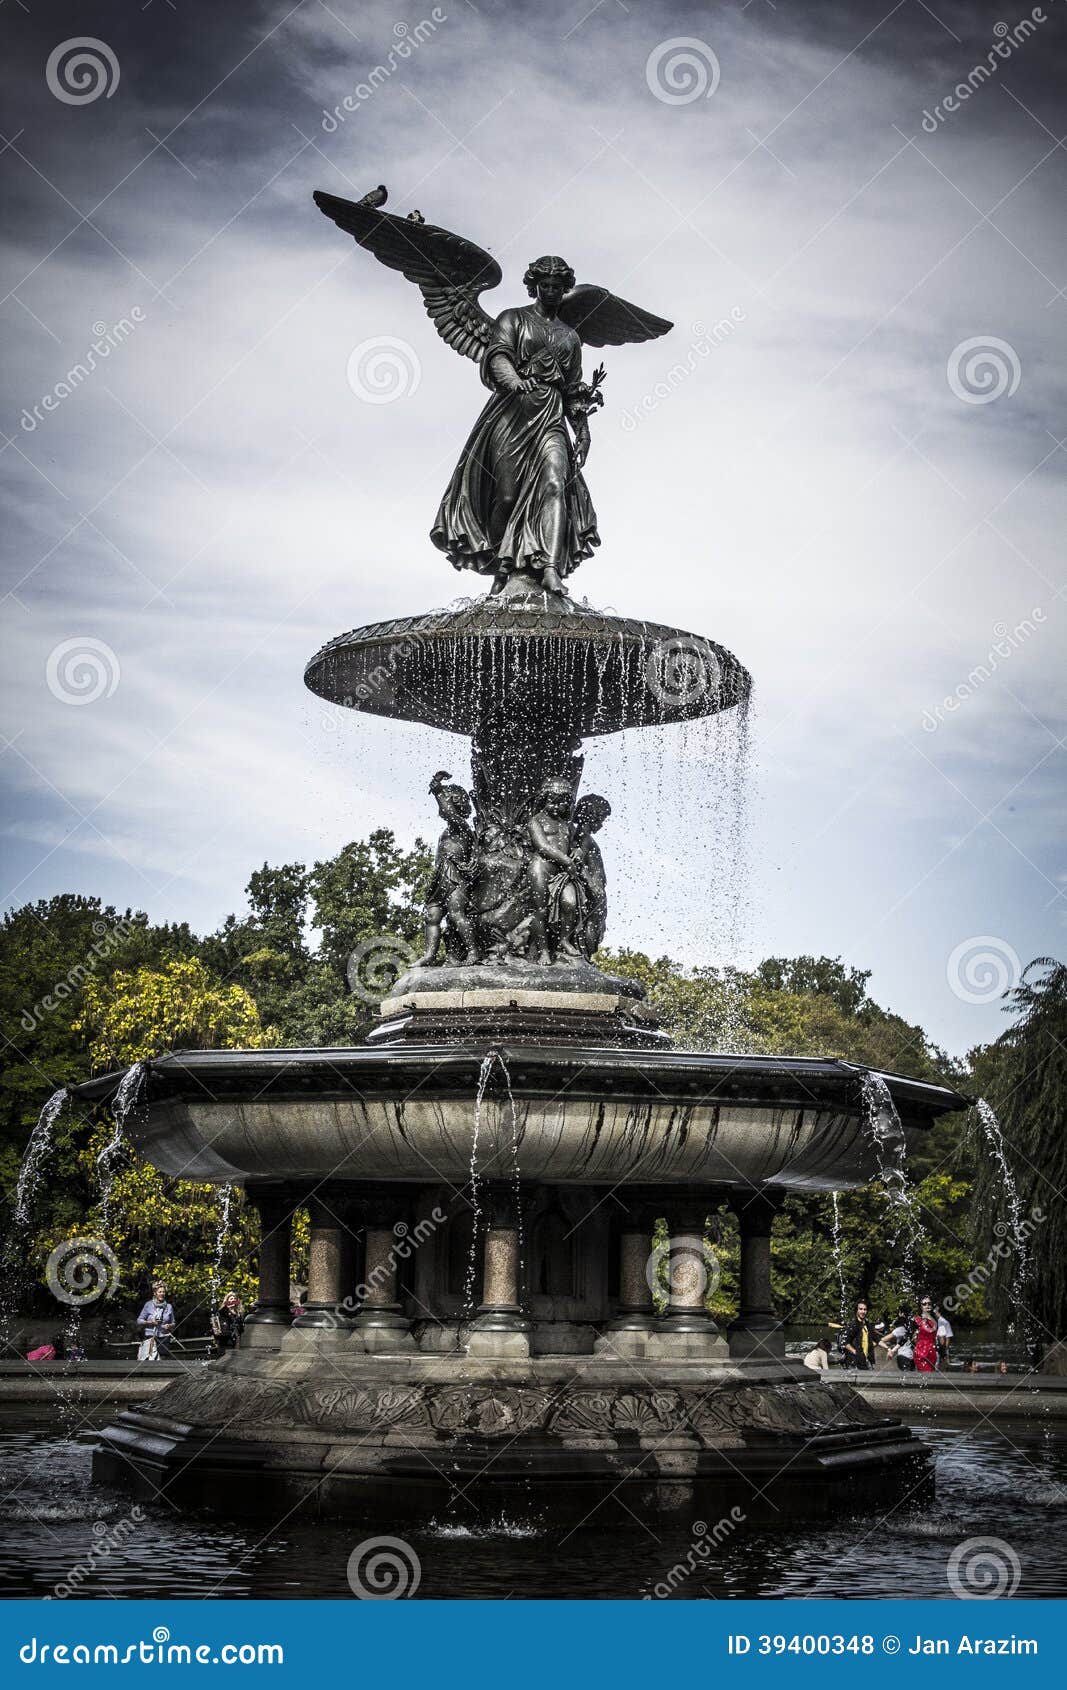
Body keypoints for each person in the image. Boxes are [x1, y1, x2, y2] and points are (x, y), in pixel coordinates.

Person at [136, 1281, 175, 1360]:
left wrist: (169, 1326)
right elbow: (139, 1321)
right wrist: (150, 1322)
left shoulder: (169, 1306)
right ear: (155, 1293)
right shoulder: (148, 1305)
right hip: (150, 1337)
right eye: (160, 1292)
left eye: (163, 1292)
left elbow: (173, 1323)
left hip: (164, 1338)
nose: (162, 1294)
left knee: (163, 1360)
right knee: (151, 1360)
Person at [840, 1299, 878, 1370]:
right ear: (856, 1310)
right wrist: (856, 1352)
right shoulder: (852, 1325)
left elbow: (876, 1340)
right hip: (854, 1362)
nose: (863, 1311)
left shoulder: (868, 1325)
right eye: (860, 1309)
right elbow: (845, 1342)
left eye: (865, 1309)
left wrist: (888, 1348)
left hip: (866, 1360)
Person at [879, 1307, 915, 1372]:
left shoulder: (901, 1329)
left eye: (899, 1312)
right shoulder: (911, 1328)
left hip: (905, 1357)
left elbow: (883, 1339)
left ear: (902, 1314)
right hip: (906, 1356)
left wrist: (890, 1349)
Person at [210, 1291, 245, 1357]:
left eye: (235, 1299)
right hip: (224, 1341)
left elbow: (241, 1328)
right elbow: (215, 1327)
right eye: (231, 1299)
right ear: (227, 1300)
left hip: (236, 1341)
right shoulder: (221, 1312)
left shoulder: (239, 1313)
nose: (233, 1300)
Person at [911, 1296, 938, 1372]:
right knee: (926, 1375)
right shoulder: (916, 1320)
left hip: (932, 1352)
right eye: (924, 1304)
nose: (927, 1305)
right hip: (921, 1352)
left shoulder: (934, 1319)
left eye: (929, 1303)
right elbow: (912, 1337)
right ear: (920, 1306)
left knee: (931, 1378)